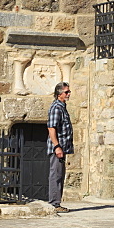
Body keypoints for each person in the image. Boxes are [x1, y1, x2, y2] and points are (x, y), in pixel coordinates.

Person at [46, 81, 73, 212]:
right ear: (59, 94)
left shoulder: (62, 107)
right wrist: (57, 147)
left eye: (69, 92)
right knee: (56, 175)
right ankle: (54, 204)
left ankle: (56, 203)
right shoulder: (56, 108)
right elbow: (52, 128)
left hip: (63, 147)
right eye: (66, 92)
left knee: (60, 175)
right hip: (58, 148)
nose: (68, 94)